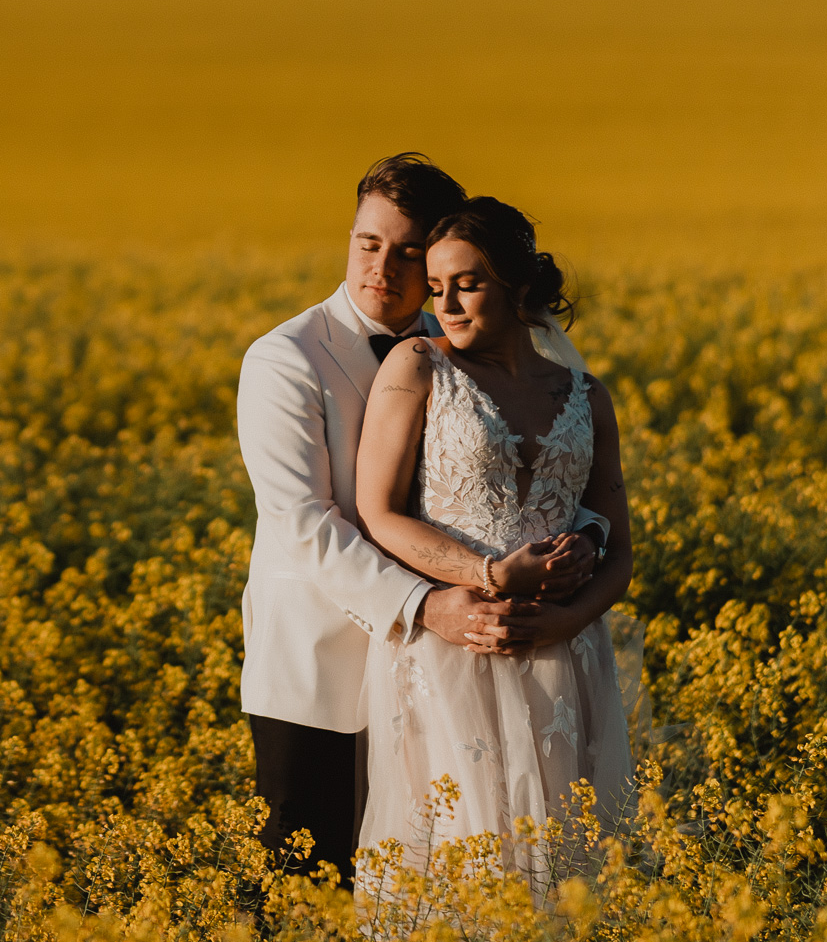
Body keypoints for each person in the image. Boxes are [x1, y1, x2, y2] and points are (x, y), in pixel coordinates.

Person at [235, 156, 612, 886]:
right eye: (367, 243)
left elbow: (537, 468)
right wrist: (428, 606)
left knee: (443, 879)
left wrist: (587, 539)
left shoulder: (467, 341)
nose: (383, 267)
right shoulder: (286, 358)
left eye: (408, 252)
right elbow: (304, 521)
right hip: (323, 670)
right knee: (298, 886)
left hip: (446, 674)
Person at [354, 197, 634, 897]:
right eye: (437, 286)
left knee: (566, 865)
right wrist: (487, 573)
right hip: (457, 644)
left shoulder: (585, 395)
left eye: (467, 284)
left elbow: (619, 544)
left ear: (518, 287)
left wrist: (571, 619)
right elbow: (377, 512)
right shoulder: (417, 365)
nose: (444, 302)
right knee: (463, 856)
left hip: (564, 659)